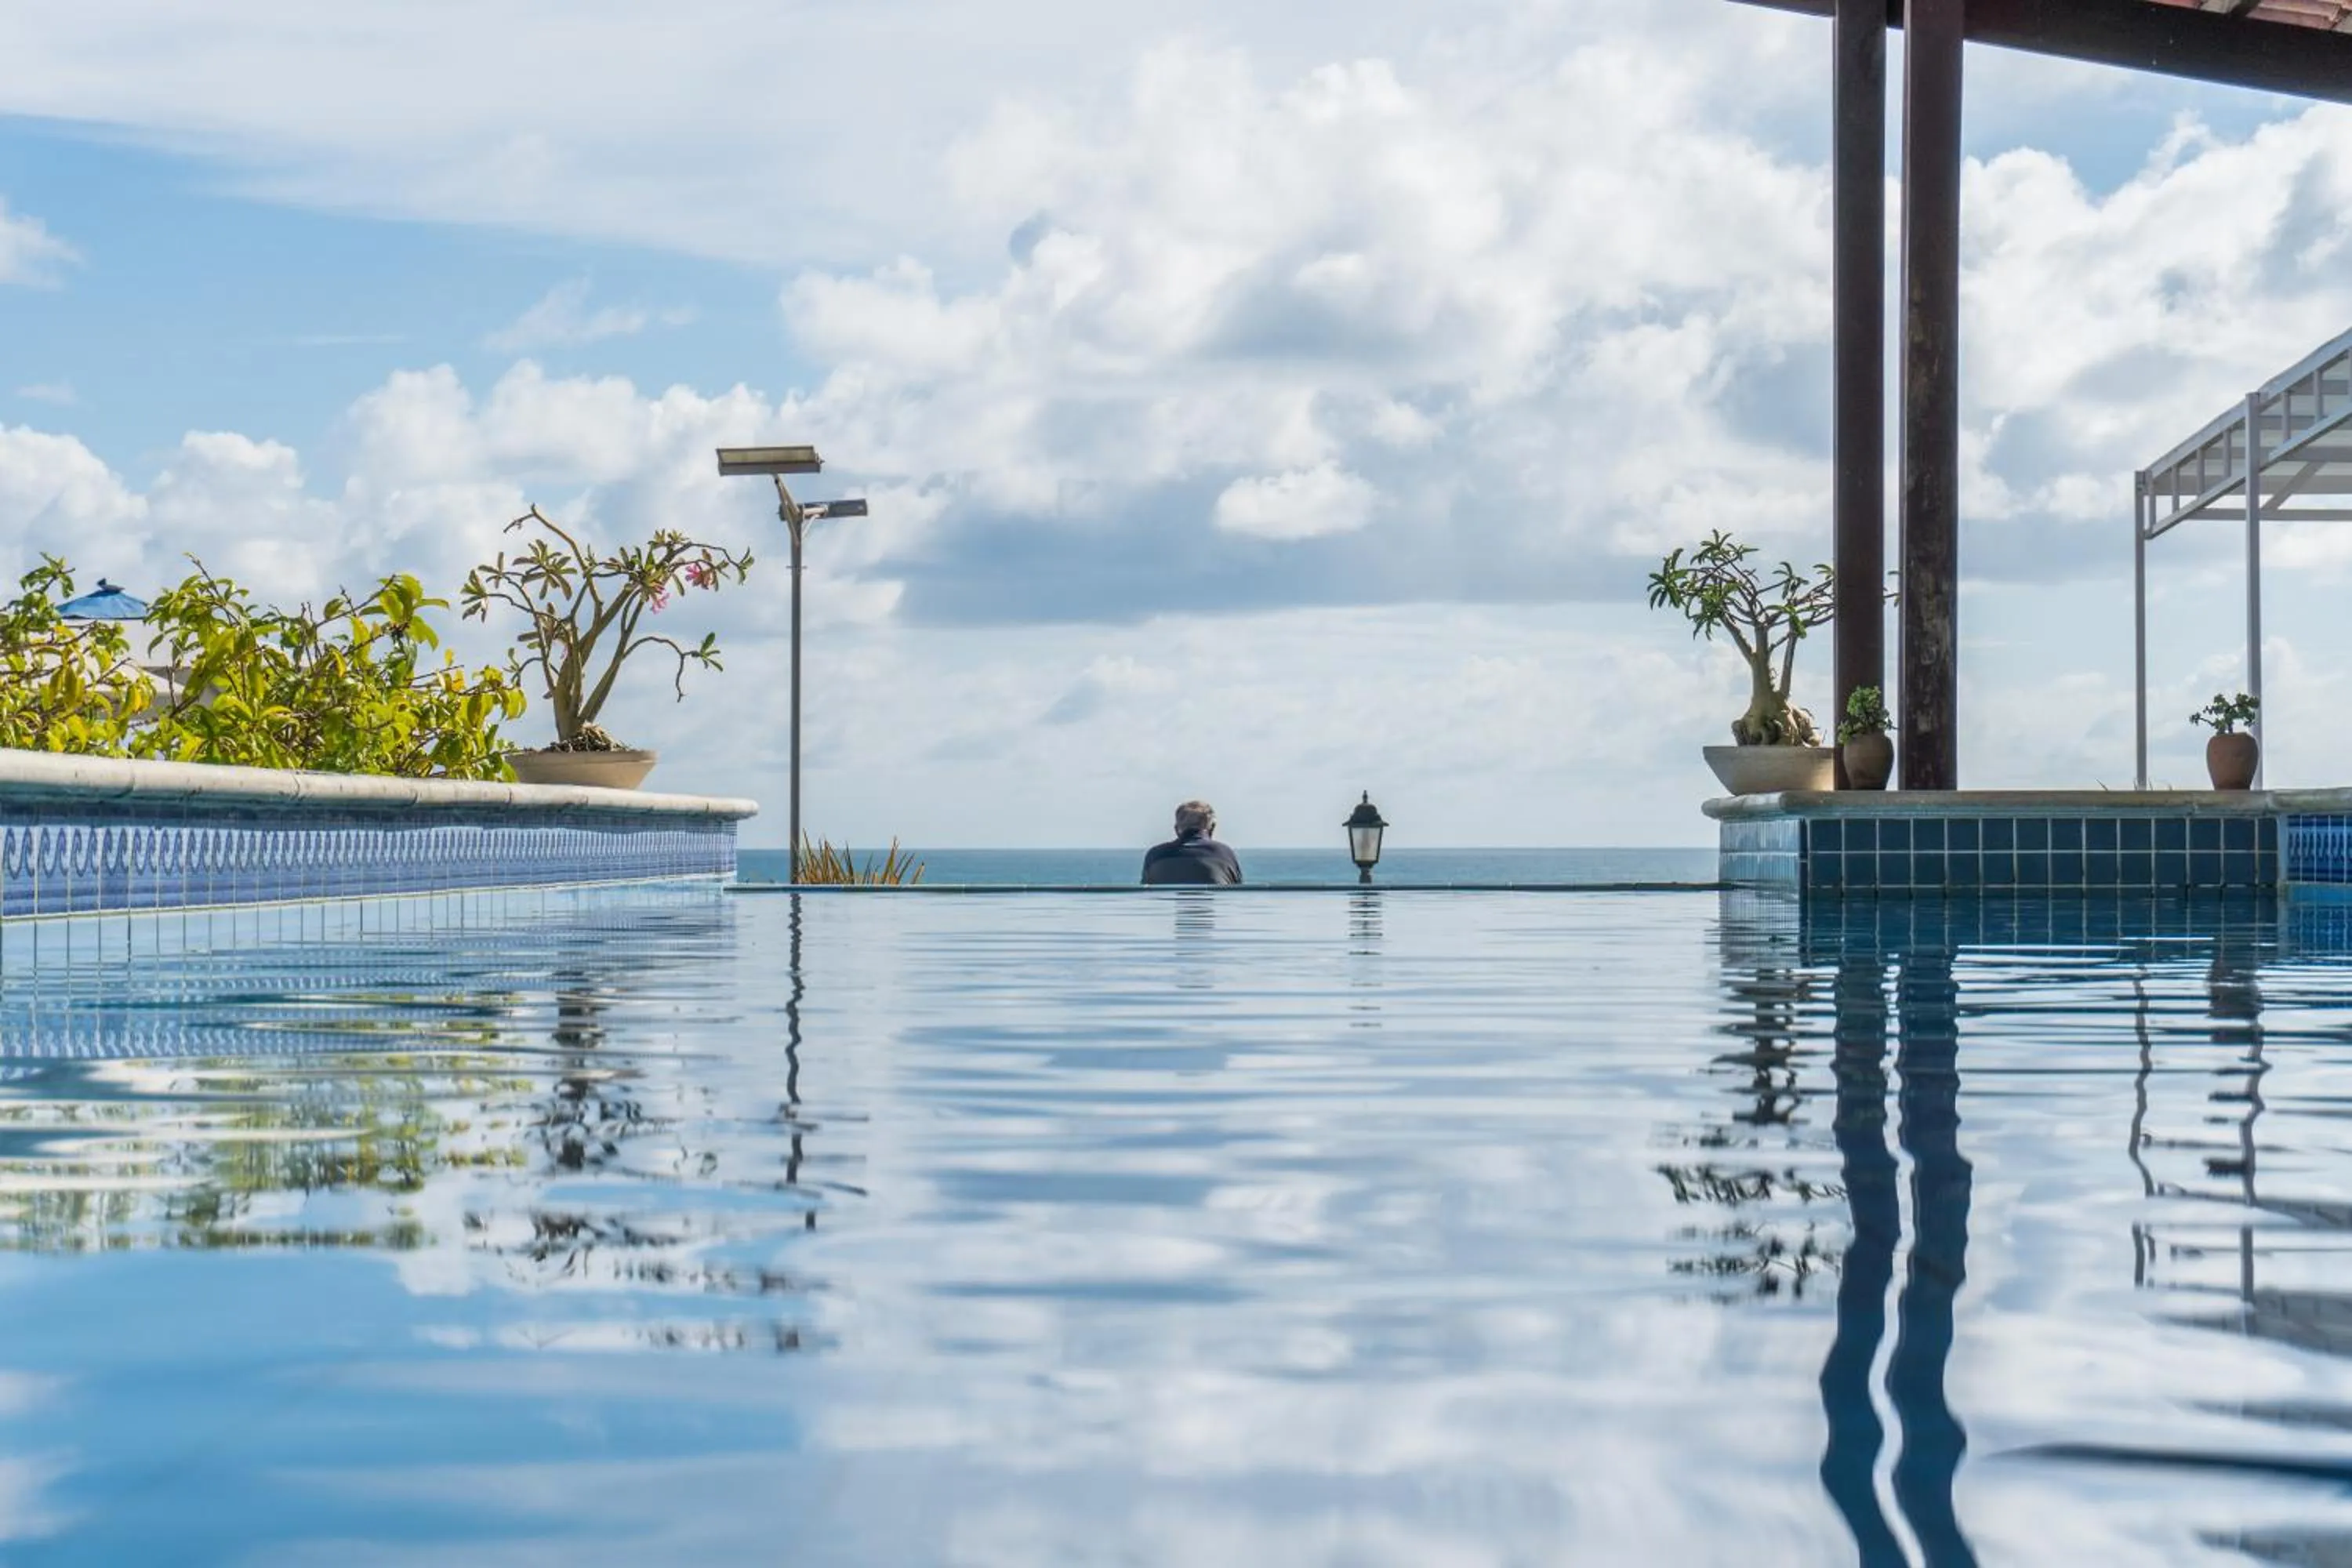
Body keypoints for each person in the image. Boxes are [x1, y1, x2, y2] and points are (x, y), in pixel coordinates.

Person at [1141, 800, 1243, 886]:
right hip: (1211, 904)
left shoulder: (1155, 855)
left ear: (1176, 829)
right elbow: (1237, 890)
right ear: (1212, 828)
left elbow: (1145, 892)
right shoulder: (1224, 854)